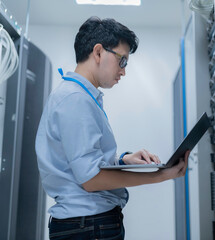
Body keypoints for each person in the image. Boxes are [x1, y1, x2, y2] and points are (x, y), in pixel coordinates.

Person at [35, 16, 189, 240]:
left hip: (88, 226)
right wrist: (159, 175)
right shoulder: (75, 99)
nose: (124, 71)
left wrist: (122, 161)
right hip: (88, 228)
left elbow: (81, 163)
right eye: (122, 60)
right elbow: (91, 180)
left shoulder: (80, 96)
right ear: (98, 52)